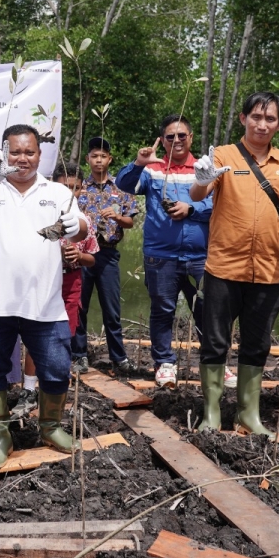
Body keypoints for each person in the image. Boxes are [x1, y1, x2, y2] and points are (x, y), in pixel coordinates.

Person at [189, 92, 279, 436]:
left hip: (268, 270)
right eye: (256, 117)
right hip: (223, 268)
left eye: (270, 119)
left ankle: (248, 414)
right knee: (215, 342)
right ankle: (212, 413)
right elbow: (197, 196)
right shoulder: (224, 155)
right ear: (243, 118)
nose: (262, 124)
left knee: (257, 343)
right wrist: (201, 179)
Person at [0, 125, 87, 468]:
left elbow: (81, 226)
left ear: (39, 154)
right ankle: (1, 436)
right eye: (15, 152)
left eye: (29, 152)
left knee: (57, 367)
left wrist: (77, 227)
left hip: (44, 302)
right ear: (4, 153)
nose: (22, 159)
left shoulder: (58, 191)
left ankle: (50, 426)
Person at [117, 116, 214, 389]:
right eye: (170, 137)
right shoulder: (153, 170)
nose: (177, 140)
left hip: (200, 256)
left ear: (191, 138)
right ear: (163, 139)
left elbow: (219, 207)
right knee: (162, 310)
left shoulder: (204, 169)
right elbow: (124, 186)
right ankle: (164, 364)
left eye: (182, 135)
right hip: (161, 256)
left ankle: (212, 363)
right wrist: (138, 163)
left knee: (209, 311)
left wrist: (191, 209)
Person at [12, 162, 98, 417]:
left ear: (82, 190)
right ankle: (28, 390)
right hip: (42, 281)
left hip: (70, 282)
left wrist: (78, 256)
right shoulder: (42, 216)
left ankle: (56, 394)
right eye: (64, 186)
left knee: (63, 338)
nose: (70, 192)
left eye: (76, 188)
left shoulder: (84, 220)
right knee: (36, 333)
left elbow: (93, 257)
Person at [74, 137, 139, 375]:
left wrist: (116, 217)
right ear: (88, 159)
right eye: (94, 155)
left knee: (111, 309)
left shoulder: (121, 186)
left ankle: (118, 357)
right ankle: (79, 355)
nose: (98, 160)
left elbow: (130, 222)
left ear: (110, 159)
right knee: (80, 306)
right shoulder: (79, 188)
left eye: (103, 156)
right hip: (81, 253)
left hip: (108, 254)